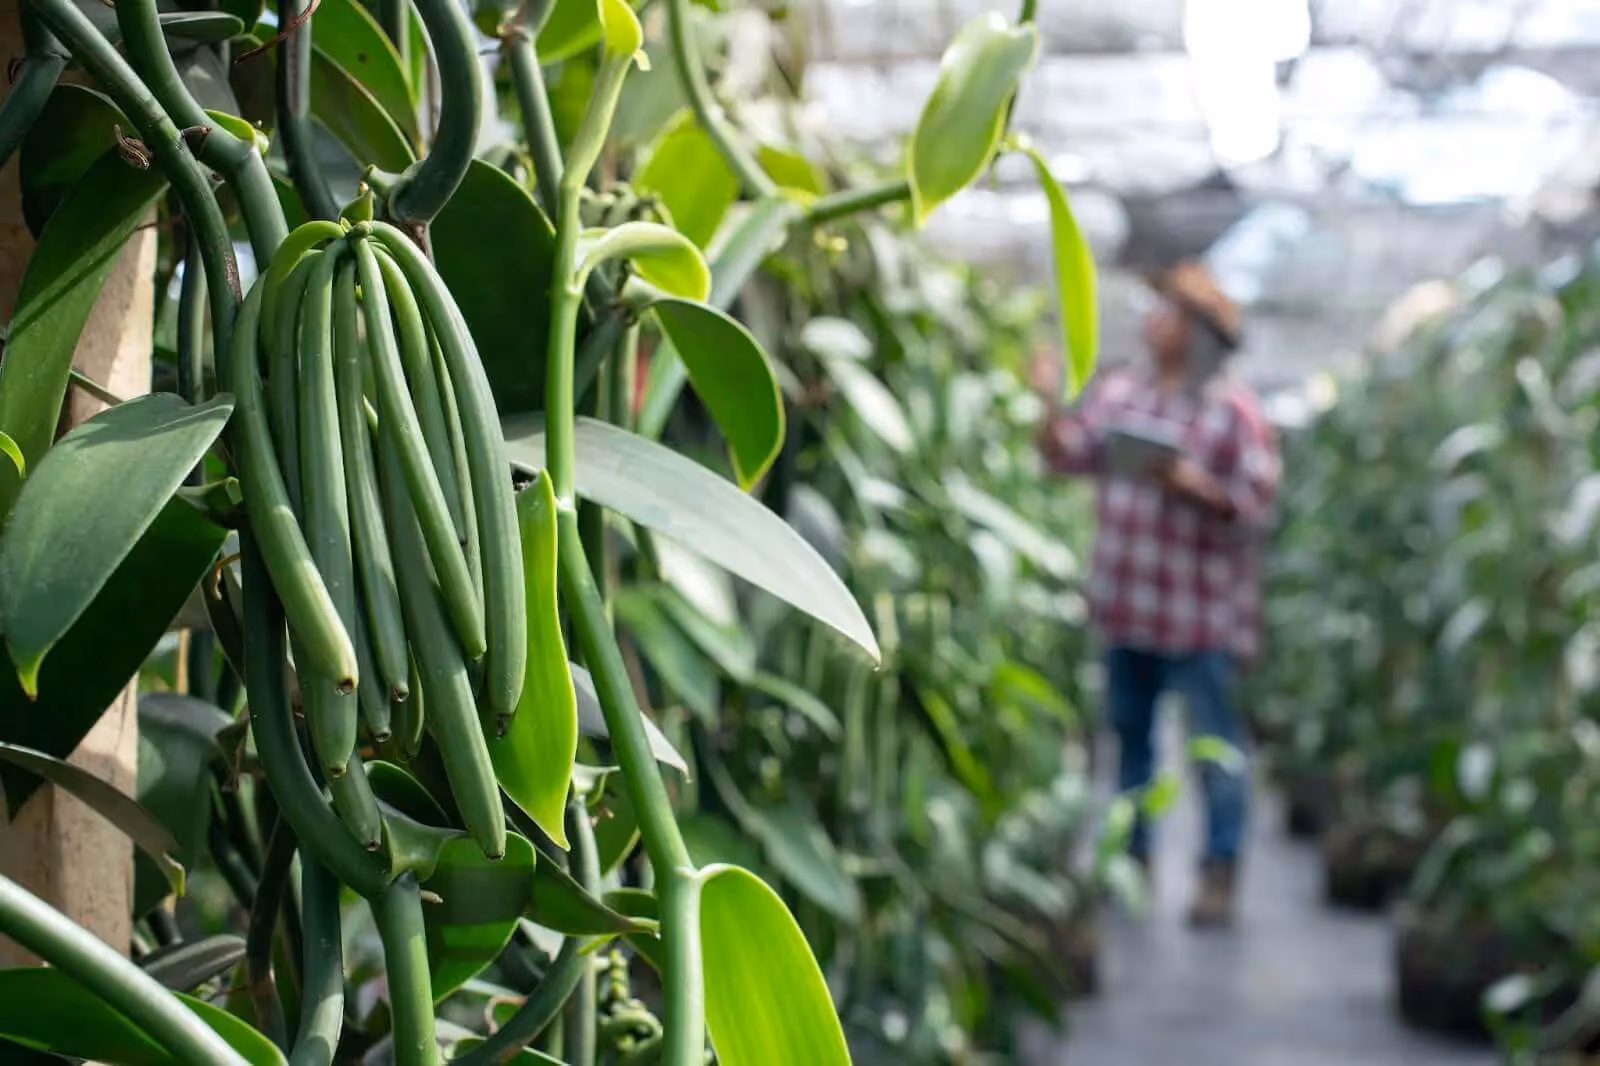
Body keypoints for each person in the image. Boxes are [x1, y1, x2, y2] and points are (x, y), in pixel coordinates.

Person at [1037, 261, 1280, 928]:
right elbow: (1068, 456)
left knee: (1217, 752)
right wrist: (1047, 402)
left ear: (1198, 332)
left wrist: (1187, 483)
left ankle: (1219, 873)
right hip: (1127, 610)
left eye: (1168, 312)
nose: (1153, 322)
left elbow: (1256, 509)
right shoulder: (1122, 394)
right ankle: (1131, 863)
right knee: (1131, 746)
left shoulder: (1233, 413)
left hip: (1200, 620)